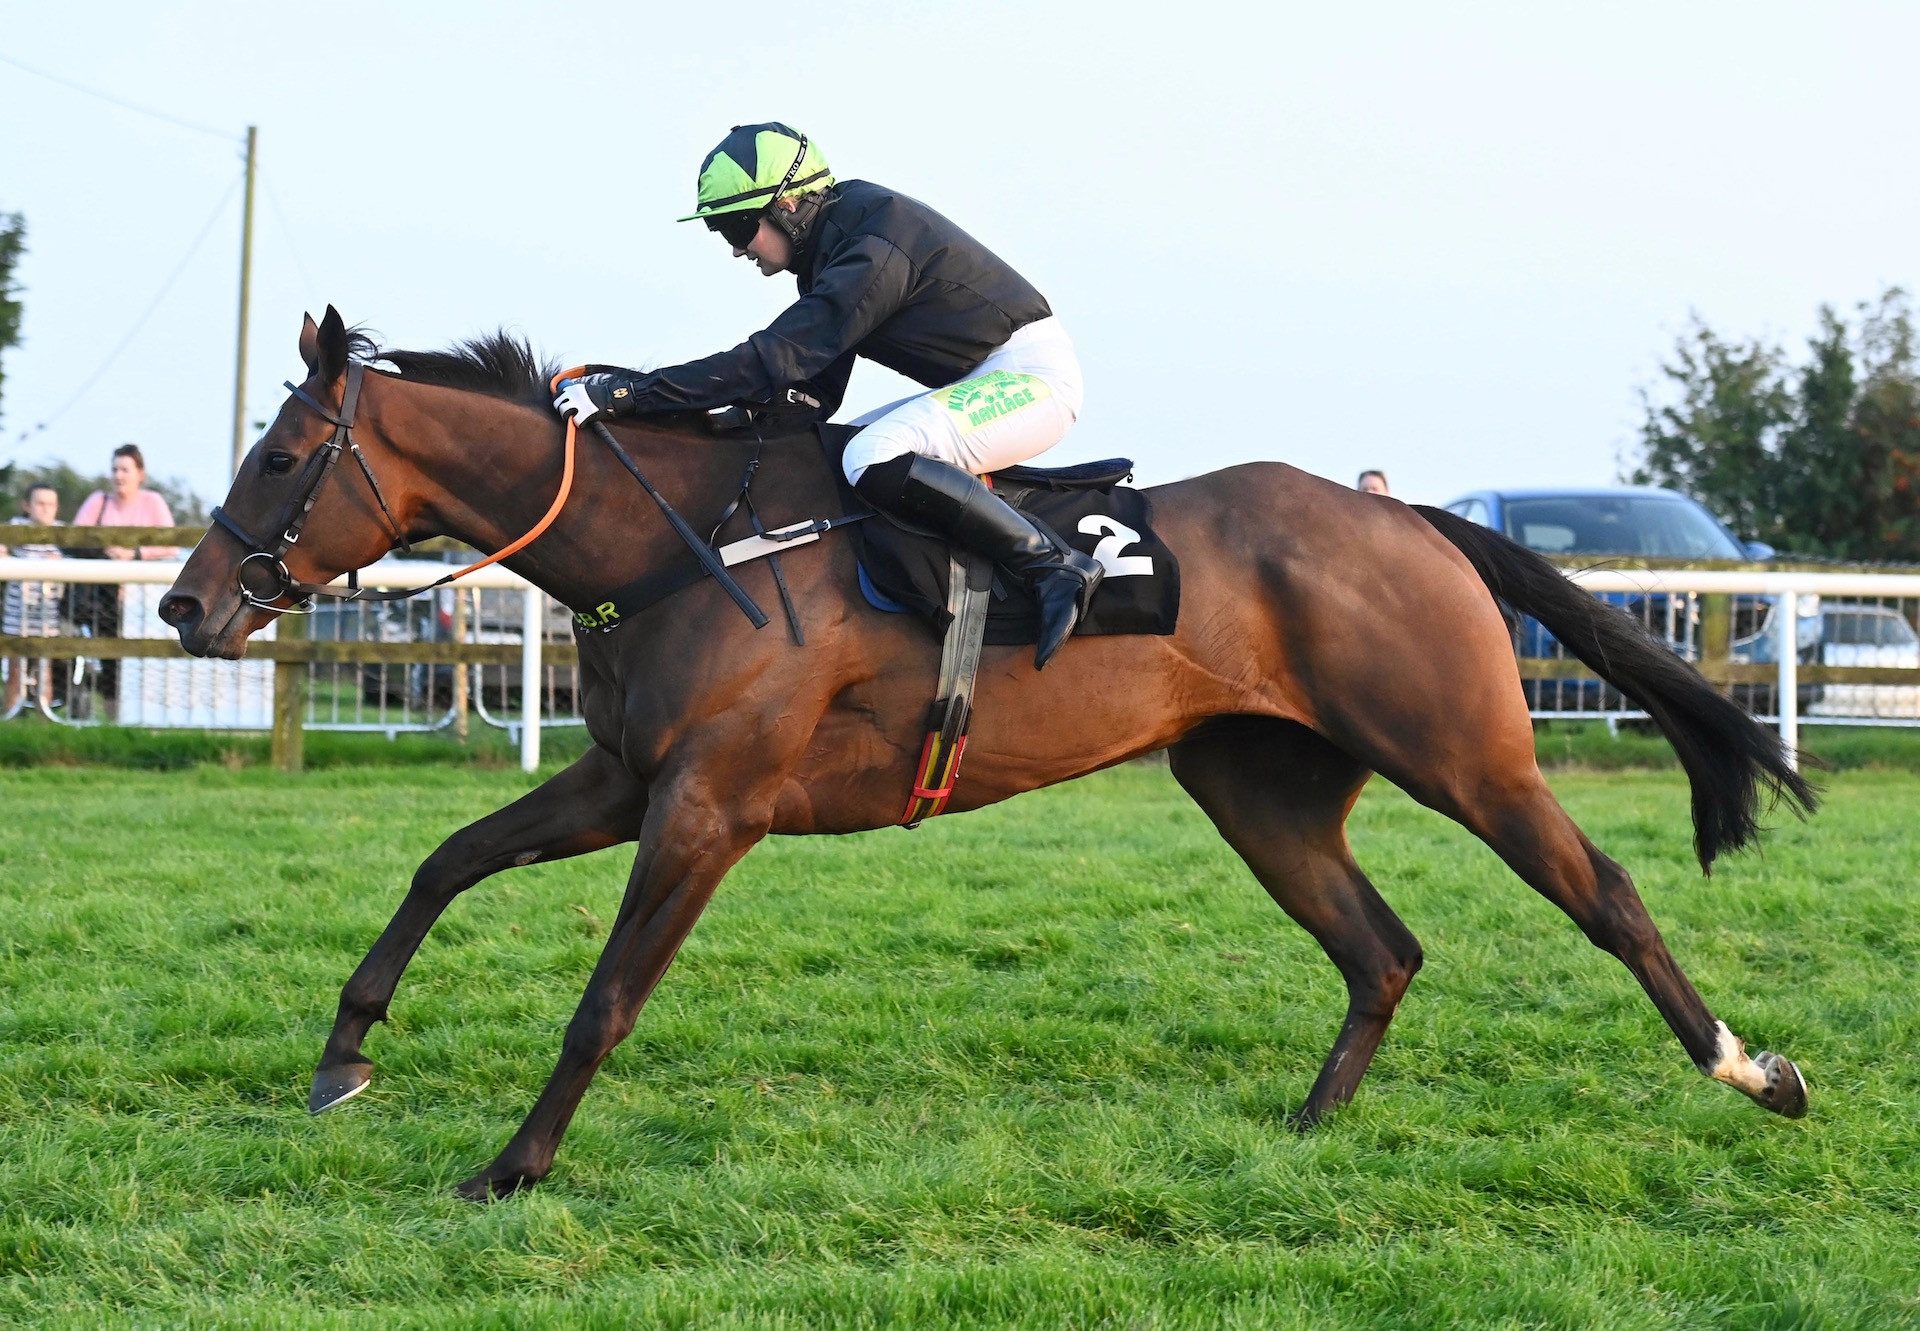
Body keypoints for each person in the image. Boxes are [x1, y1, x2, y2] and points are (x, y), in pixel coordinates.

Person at [552, 123, 1102, 669]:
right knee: (837, 451)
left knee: (870, 455)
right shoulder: (835, 247)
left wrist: (632, 394)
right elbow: (812, 397)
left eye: (737, 226)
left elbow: (773, 358)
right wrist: (715, 426)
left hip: (1031, 381)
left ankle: (1052, 565)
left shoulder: (874, 244)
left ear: (789, 204)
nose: (737, 249)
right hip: (980, 380)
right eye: (722, 231)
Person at [70, 444, 175, 706]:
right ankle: (106, 709)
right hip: (101, 599)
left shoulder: (153, 502)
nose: (118, 475)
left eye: (125, 469)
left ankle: (129, 709)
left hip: (142, 600)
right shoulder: (98, 501)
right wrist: (105, 550)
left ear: (140, 474)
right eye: (115, 469)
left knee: (133, 660)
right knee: (106, 656)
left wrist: (133, 554)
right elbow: (74, 538)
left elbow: (171, 545)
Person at [1, 483, 65, 713]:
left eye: (51, 504)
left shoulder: (62, 532)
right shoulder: (17, 528)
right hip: (17, 611)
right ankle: (10, 713)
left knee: (44, 667)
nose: (45, 509)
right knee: (15, 667)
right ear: (27, 506)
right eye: (40, 503)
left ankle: (43, 715)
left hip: (47, 612)